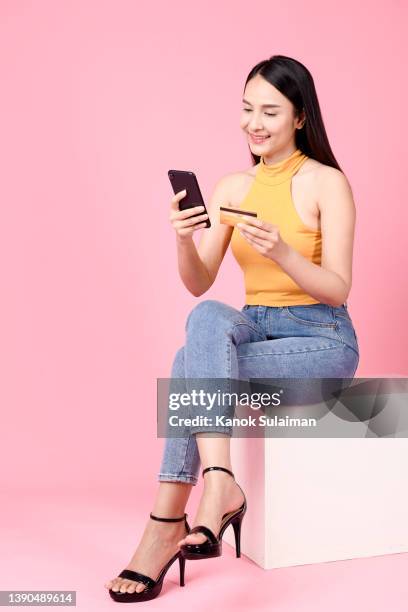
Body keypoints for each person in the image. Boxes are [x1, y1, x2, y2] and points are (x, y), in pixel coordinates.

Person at [105, 54, 360, 602]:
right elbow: (199, 284)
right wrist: (180, 238)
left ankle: (163, 523)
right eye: (247, 109)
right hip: (254, 327)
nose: (254, 123)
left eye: (270, 111)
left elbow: (338, 288)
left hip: (321, 336)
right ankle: (219, 481)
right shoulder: (232, 187)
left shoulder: (326, 183)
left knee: (187, 367)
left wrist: (285, 253)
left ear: (299, 117)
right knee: (205, 317)